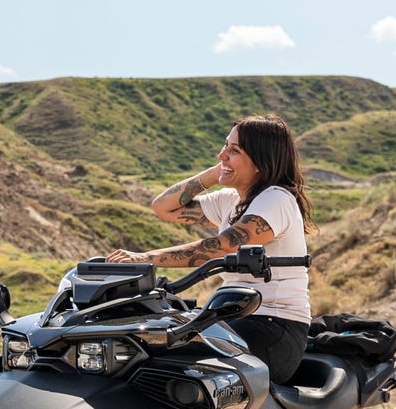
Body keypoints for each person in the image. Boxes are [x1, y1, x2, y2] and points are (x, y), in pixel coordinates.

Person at [106, 114, 314, 384]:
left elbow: (223, 246)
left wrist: (144, 259)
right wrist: (220, 170)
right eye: (225, 146)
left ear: (261, 161)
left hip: (273, 325)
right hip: (235, 315)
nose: (221, 154)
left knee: (170, 360)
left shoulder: (276, 198)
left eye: (234, 150)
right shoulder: (231, 200)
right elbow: (163, 207)